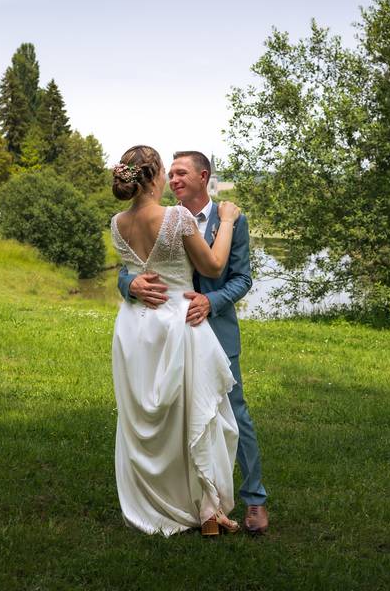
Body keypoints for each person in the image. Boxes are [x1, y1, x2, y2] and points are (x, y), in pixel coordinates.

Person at [118, 150, 269, 535]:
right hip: (169, 330)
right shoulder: (170, 216)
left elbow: (240, 277)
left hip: (211, 327)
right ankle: (197, 503)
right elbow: (130, 268)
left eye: (183, 172)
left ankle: (254, 499)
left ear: (204, 176)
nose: (176, 178)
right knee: (177, 417)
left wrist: (211, 301)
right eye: (171, 172)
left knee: (232, 414)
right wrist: (129, 284)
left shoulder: (231, 218)